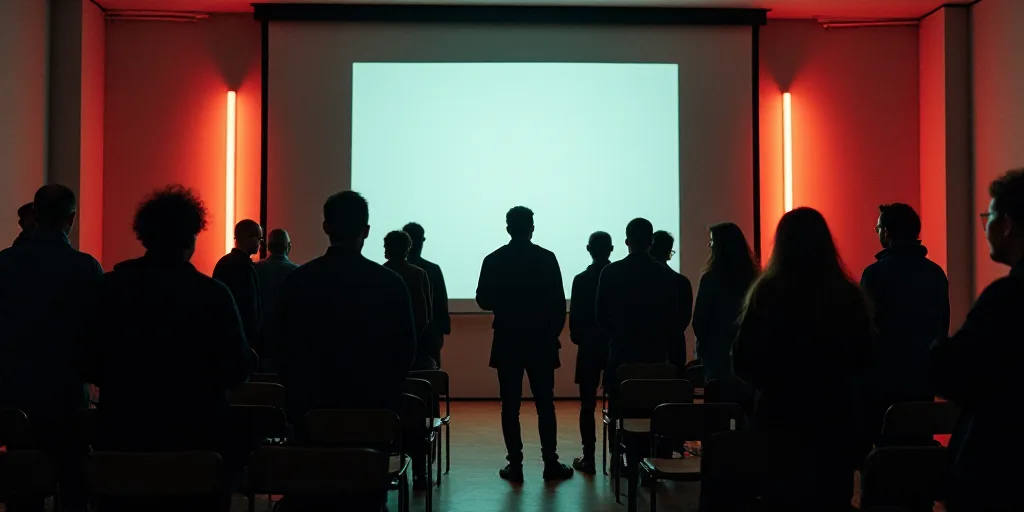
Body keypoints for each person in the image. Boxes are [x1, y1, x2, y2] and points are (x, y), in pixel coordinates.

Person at [78, 186, 253, 511]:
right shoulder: (214, 295)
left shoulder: (108, 289)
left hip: (123, 441)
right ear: (192, 237)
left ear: (144, 235)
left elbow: (85, 361)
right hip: (197, 447)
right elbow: (236, 370)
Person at [732, 207, 871, 509]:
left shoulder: (766, 293)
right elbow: (865, 357)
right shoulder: (847, 295)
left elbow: (743, 361)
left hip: (780, 422)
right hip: (835, 421)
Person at [0, 184, 103, 512]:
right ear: (71, 218)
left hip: (15, 396)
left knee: (22, 488)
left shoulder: (5, 262)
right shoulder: (86, 267)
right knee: (73, 483)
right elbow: (97, 333)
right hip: (67, 396)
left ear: (35, 213)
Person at [274, 191, 416, 420]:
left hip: (310, 409)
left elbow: (280, 344)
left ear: (326, 227)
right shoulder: (390, 283)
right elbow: (405, 349)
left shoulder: (297, 280)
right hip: (374, 408)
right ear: (366, 231)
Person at [930, 169, 1024, 511]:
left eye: (989, 216)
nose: (985, 226)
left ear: (1008, 224)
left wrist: (935, 351)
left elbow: (952, 372)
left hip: (998, 466)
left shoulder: (1005, 298)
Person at [476, 206, 573, 482]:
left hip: (507, 339)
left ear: (508, 228)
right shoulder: (546, 258)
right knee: (545, 405)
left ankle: (515, 465)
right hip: (541, 339)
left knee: (510, 406)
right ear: (532, 228)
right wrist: (552, 334)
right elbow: (559, 304)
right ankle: (550, 462)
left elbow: (483, 299)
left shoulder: (494, 259)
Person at [861, 203, 949, 446]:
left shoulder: (874, 275)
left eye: (878, 228)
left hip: (883, 382)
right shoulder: (936, 274)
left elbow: (865, 332)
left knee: (885, 453)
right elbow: (942, 327)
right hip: (923, 380)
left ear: (887, 232)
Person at [597, 218, 686, 393]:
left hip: (620, 349)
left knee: (619, 401)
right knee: (654, 400)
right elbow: (672, 315)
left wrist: (618, 335)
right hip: (655, 351)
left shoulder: (610, 272)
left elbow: (601, 315)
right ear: (651, 242)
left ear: (627, 241)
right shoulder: (666, 275)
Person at [568, 231, 613, 474]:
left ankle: (589, 457)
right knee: (618, 403)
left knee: (587, 405)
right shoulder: (618, 276)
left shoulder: (581, 279)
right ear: (611, 249)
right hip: (615, 346)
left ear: (588, 249)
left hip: (588, 347)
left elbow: (574, 322)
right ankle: (617, 457)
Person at [693, 223, 759, 382]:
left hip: (716, 356)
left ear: (720, 247)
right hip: (748, 353)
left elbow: (699, 321)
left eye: (712, 242)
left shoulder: (710, 279)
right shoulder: (755, 278)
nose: (710, 246)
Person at [383, 230, 433, 369]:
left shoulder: (378, 274)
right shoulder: (417, 274)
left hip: (384, 344)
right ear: (407, 249)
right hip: (413, 344)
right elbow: (424, 315)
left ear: (386, 248)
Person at [213, 219, 263, 357]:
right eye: (258, 238)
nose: (260, 243)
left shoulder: (223, 262)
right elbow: (250, 308)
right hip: (242, 340)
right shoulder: (245, 267)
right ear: (248, 237)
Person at [404, 222, 451, 367]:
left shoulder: (390, 271)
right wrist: (442, 330)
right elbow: (441, 303)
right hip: (429, 337)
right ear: (422, 241)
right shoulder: (433, 269)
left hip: (400, 336)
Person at [649, 230, 694, 376]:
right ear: (669, 252)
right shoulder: (681, 281)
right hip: (674, 347)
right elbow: (684, 318)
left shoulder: (640, 281)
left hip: (645, 349)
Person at [255, 228, 299, 370]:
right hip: (286, 339)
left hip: (259, 338)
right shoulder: (297, 272)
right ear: (288, 246)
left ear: (268, 246)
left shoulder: (255, 269)